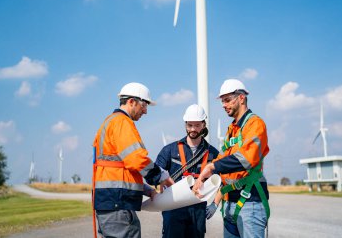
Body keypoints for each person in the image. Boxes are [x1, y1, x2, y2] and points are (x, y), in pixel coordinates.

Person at [92, 82, 174, 238]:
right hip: (118, 203)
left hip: (110, 201)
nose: (145, 111)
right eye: (144, 105)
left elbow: (120, 170)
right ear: (131, 102)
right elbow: (136, 159)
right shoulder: (122, 123)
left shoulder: (111, 122)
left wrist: (146, 189)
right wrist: (161, 176)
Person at [193, 79, 270, 238]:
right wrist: (206, 181)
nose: (224, 105)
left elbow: (247, 159)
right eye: (222, 101)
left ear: (241, 98)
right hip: (229, 204)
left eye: (227, 100)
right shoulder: (232, 130)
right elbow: (224, 163)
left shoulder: (255, 124)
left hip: (250, 204)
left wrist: (212, 167)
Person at [155, 104, 219, 238]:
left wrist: (215, 204)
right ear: (185, 125)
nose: (193, 129)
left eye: (197, 125)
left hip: (198, 210)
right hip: (173, 208)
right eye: (190, 125)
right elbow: (156, 170)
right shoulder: (170, 150)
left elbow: (224, 179)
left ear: (203, 125)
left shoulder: (213, 153)